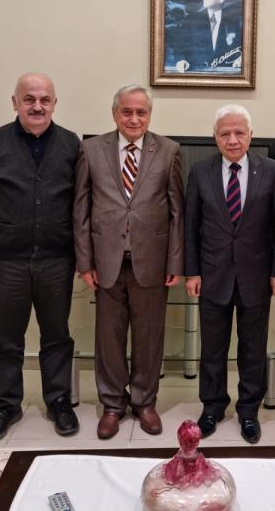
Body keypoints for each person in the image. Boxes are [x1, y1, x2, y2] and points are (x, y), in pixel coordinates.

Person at [0, 73, 81, 442]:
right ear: (15, 103)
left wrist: (84, 257)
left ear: (55, 104)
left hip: (57, 261)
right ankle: (7, 404)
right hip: (6, 262)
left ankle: (58, 401)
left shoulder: (70, 144)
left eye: (45, 99)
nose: (37, 106)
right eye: (29, 99)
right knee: (7, 339)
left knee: (57, 336)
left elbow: (83, 205)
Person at [73, 84, 184, 439]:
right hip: (106, 262)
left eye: (141, 112)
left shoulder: (169, 150)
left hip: (151, 262)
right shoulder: (91, 150)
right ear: (114, 114)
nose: (134, 119)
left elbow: (177, 212)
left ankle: (144, 402)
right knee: (109, 338)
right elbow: (81, 210)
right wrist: (84, 262)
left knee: (149, 337)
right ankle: (112, 404)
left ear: (149, 115)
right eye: (127, 112)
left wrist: (175, 263)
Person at [184, 105, 275, 444]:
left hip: (256, 275)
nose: (232, 139)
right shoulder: (200, 171)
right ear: (215, 138)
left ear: (250, 136)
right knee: (212, 348)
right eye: (225, 133)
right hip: (212, 274)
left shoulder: (271, 170)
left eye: (239, 133)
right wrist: (191, 271)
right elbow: (190, 226)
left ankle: (248, 411)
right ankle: (212, 407)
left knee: (253, 348)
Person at [181, 0, 242, 71]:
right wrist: (181, 60)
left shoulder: (234, 21)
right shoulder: (191, 20)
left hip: (226, 73)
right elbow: (180, 45)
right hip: (198, 72)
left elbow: (243, 45)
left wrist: (242, 58)